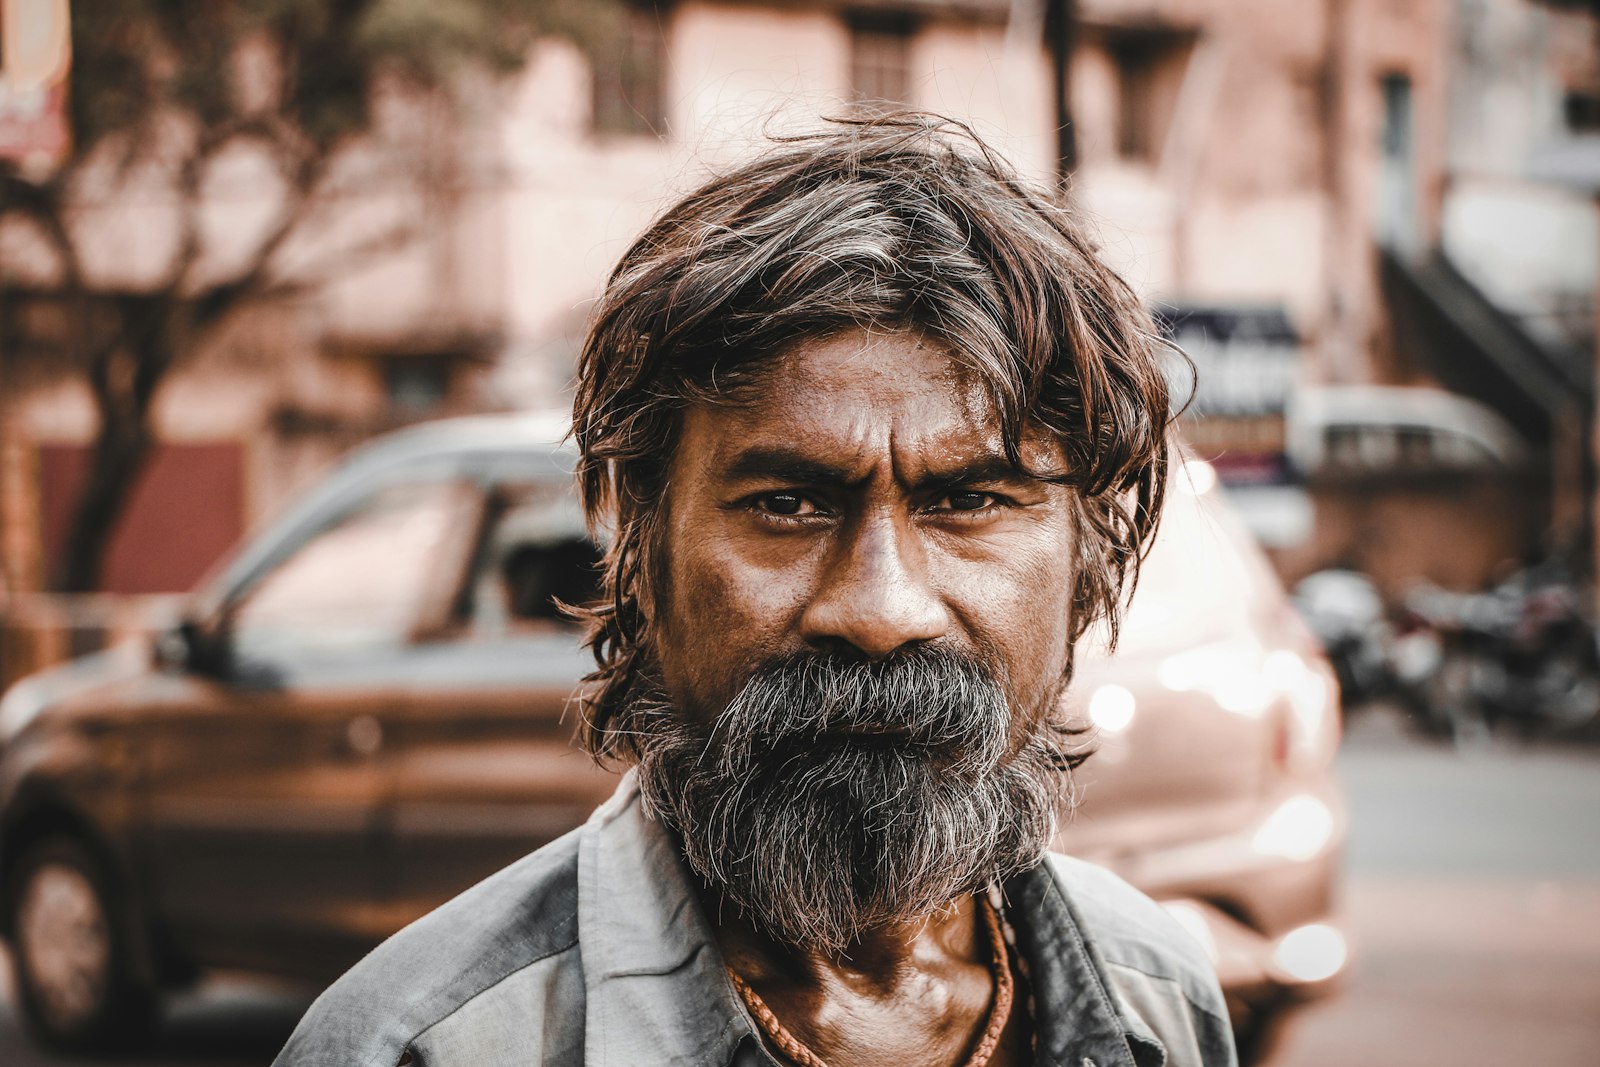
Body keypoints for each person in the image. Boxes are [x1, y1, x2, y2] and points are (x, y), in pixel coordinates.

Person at [274, 113, 1235, 1067]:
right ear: (641, 552)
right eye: (787, 503)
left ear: (1086, 564)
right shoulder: (418, 1049)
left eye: (968, 500)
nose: (879, 611)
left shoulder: (1159, 1000)